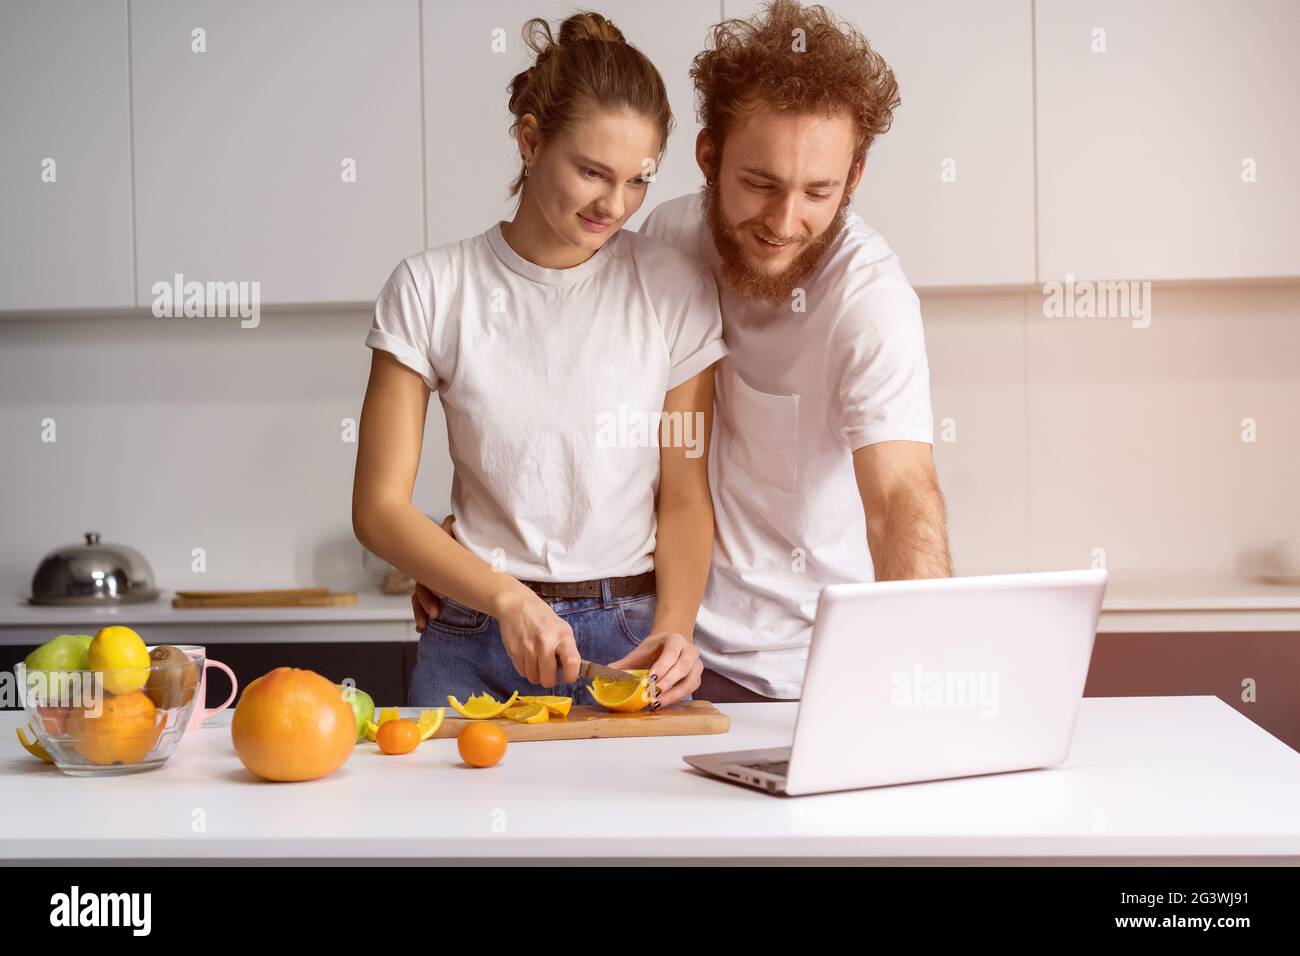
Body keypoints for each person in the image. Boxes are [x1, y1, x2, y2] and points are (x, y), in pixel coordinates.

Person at [354, 12, 725, 709]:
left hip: (625, 644)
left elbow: (682, 493)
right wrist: (503, 596)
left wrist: (674, 632)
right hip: (472, 635)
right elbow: (378, 509)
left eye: (638, 180)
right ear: (530, 140)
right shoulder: (431, 289)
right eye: (591, 171)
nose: (615, 205)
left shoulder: (673, 287)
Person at [639, 0, 952, 701]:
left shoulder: (869, 298)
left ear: (855, 178)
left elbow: (899, 495)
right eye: (759, 185)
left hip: (809, 674)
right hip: (664, 648)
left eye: (819, 192)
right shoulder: (664, 243)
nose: (784, 223)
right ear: (708, 154)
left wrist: (930, 667)